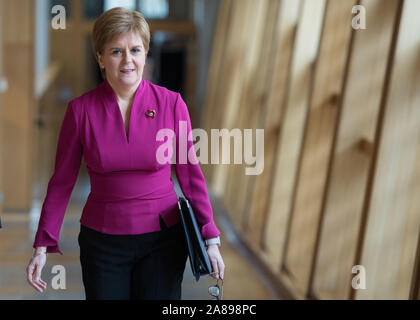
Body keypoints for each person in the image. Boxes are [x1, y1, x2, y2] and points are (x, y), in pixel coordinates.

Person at [26, 7, 225, 300]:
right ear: (100, 58)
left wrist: (210, 238)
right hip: (102, 242)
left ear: (146, 53)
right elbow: (62, 180)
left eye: (135, 49)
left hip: (163, 241)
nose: (127, 60)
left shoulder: (172, 104)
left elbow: (191, 177)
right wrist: (42, 245)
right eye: (116, 51)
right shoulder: (80, 111)